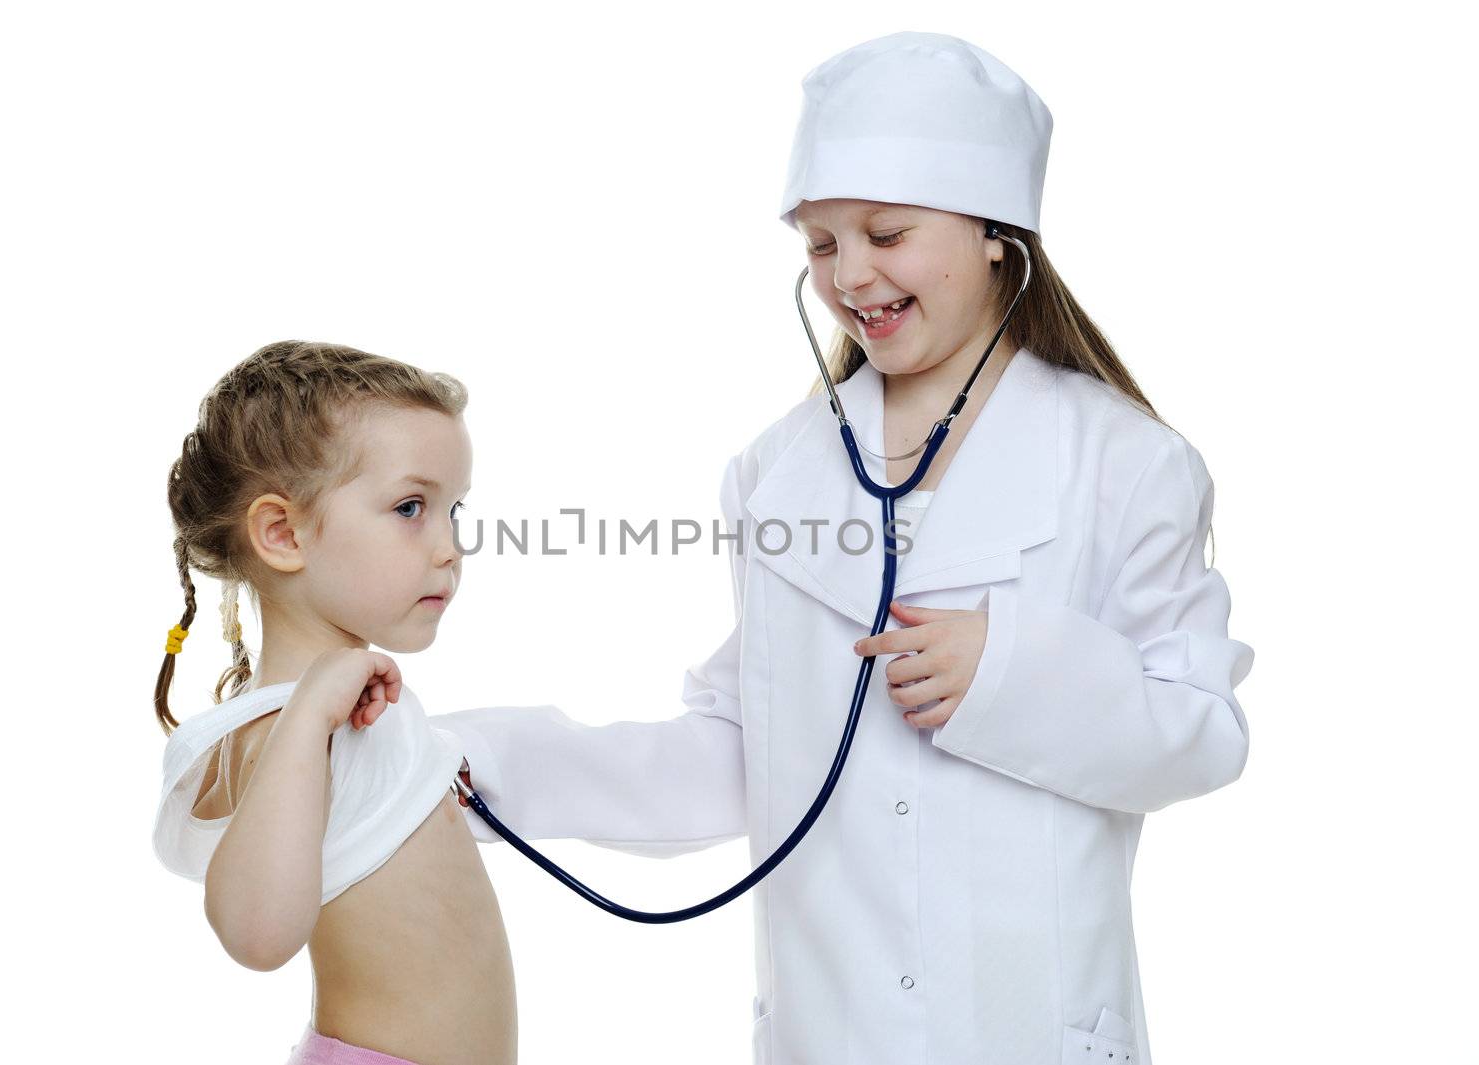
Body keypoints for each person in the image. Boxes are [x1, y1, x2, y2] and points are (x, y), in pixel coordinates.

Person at [436, 32, 1253, 1065]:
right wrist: (482, 766)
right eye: (820, 245)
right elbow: (748, 752)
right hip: (829, 1035)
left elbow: (1203, 733)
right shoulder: (775, 471)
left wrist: (1008, 673)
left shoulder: (1126, 464)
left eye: (886, 232)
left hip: (1031, 1033)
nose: (848, 274)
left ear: (999, 232)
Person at [150, 341, 516, 1065]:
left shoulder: (349, 701)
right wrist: (309, 717)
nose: (450, 547)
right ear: (284, 534)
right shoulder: (280, 727)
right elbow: (256, 933)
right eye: (411, 507)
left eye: (453, 510)